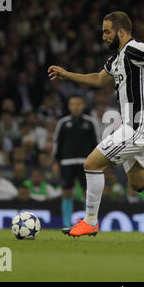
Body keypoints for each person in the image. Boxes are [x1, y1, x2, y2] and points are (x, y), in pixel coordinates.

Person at [48, 11, 144, 237]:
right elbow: (98, 79)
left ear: (121, 32)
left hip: (138, 125)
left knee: (92, 164)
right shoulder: (117, 58)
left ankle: (90, 221)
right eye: (103, 32)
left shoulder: (134, 49)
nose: (104, 36)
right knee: (139, 182)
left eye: (107, 32)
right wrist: (68, 74)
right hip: (137, 126)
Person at [52, 94, 100, 227]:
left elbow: (97, 143)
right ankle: (67, 223)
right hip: (67, 162)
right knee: (67, 192)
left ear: (83, 105)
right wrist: (56, 162)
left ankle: (90, 223)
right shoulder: (63, 123)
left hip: (87, 163)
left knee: (88, 193)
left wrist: (98, 162)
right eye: (73, 104)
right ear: (69, 106)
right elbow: (57, 143)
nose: (76, 106)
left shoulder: (91, 122)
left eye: (78, 104)